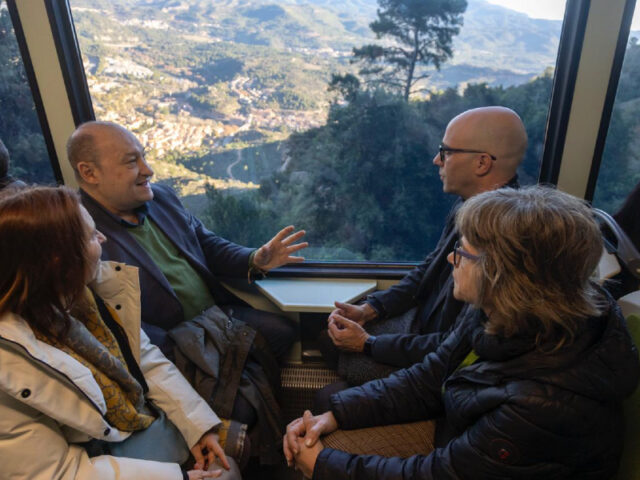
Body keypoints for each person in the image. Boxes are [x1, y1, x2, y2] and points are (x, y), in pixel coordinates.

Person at [284, 186, 640, 479]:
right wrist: (338, 413)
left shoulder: (541, 406)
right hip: (465, 434)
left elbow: (444, 474)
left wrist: (324, 467)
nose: (452, 259)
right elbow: (429, 377)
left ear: (501, 277)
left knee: (327, 453)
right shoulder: (497, 310)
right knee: (331, 417)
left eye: (463, 253)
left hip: (470, 452)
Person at [67, 121, 307, 463]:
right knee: (241, 404)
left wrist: (254, 258)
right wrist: (191, 346)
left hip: (215, 316)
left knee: (283, 332)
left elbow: (205, 243)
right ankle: (248, 444)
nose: (147, 170)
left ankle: (248, 421)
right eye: (132, 162)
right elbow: (110, 320)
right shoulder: (83, 233)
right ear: (89, 173)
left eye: (144, 157)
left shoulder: (161, 198)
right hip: (171, 342)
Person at [0, 186, 241, 480]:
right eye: (91, 236)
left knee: (230, 452)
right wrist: (179, 476)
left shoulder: (88, 297)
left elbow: (144, 360)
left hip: (128, 431)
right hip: (94, 458)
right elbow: (54, 471)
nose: (102, 238)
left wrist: (198, 427)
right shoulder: (10, 362)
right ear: (58, 260)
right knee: (227, 470)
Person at [319, 106, 527, 390]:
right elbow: (429, 268)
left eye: (446, 152)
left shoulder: (503, 239)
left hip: (439, 358)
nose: (436, 160)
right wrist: (371, 309)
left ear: (481, 163)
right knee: (327, 339)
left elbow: (455, 345)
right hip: (423, 328)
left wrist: (368, 344)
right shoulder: (469, 206)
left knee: (331, 393)